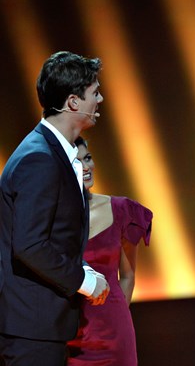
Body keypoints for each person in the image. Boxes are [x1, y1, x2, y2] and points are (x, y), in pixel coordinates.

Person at [0, 51, 109, 366]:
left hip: (39, 324)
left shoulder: (51, 152)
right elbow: (30, 244)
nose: (100, 100)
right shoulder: (40, 159)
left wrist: (83, 269)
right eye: (95, 93)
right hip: (30, 327)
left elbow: (52, 235)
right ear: (74, 102)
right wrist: (84, 282)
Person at [67, 137, 152, 365]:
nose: (86, 167)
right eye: (77, 162)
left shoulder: (122, 210)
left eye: (88, 158)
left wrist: (115, 317)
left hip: (114, 332)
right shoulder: (52, 220)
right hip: (70, 335)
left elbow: (128, 276)